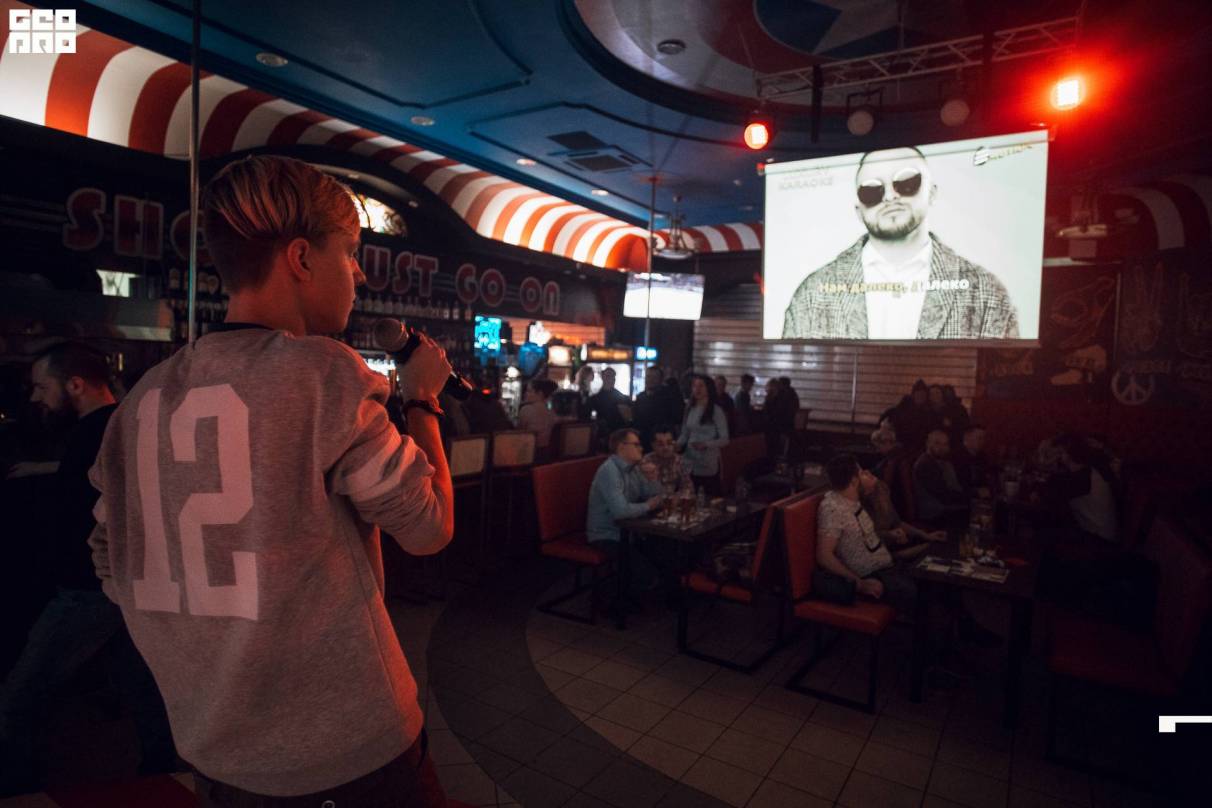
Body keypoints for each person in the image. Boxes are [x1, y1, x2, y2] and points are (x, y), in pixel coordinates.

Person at [88, 156, 455, 807]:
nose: (358, 273)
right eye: (350, 252)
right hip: (347, 750)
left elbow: (110, 563)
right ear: (302, 258)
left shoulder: (139, 401)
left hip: (214, 749)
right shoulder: (323, 374)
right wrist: (422, 400)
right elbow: (428, 529)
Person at [1, 343, 175, 795]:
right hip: (120, 584)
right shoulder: (117, 426)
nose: (36, 397)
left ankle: (15, 790)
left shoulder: (103, 430)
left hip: (91, 588)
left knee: (20, 695)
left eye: (42, 387)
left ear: (75, 384)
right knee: (144, 691)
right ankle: (167, 777)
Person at [782, 146, 1019, 340]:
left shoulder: (987, 291)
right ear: (858, 210)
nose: (890, 196)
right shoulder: (810, 294)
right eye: (872, 191)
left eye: (907, 182)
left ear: (932, 193)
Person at [815, 454, 916, 614]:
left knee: (933, 582)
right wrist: (860, 584)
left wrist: (892, 535)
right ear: (854, 481)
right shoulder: (832, 508)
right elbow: (824, 556)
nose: (867, 473)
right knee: (926, 595)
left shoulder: (854, 499)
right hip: (872, 575)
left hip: (887, 566)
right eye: (862, 472)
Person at [586, 428, 664, 600]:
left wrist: (652, 478)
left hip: (629, 532)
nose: (641, 448)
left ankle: (644, 598)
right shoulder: (609, 471)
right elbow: (621, 512)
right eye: (636, 444)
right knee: (647, 573)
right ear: (621, 447)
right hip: (606, 535)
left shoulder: (633, 468)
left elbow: (654, 496)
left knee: (664, 554)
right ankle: (614, 602)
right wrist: (648, 505)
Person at [676, 375, 730, 495]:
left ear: (708, 388)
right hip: (689, 460)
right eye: (694, 386)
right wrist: (677, 445)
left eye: (701, 386)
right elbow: (685, 433)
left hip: (707, 461)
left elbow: (725, 439)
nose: (697, 389)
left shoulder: (716, 411)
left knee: (708, 495)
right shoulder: (690, 408)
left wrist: (706, 444)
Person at [913, 429, 969, 528]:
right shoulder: (925, 464)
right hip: (933, 512)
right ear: (928, 444)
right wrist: (969, 497)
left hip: (940, 507)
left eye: (945, 444)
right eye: (937, 443)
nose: (942, 447)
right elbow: (941, 494)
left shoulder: (941, 462)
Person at [884, 379, 936, 453]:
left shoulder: (928, 412)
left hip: (919, 447)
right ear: (913, 395)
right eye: (918, 394)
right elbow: (891, 417)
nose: (920, 397)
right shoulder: (904, 406)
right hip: (900, 444)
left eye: (923, 395)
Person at [587, 367, 630, 443]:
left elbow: (628, 419)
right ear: (603, 378)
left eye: (613, 377)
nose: (611, 379)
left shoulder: (622, 398)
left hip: (618, 436)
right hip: (602, 436)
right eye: (608, 376)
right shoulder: (594, 398)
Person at [517, 378, 561, 453]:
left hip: (528, 451)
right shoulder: (551, 412)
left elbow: (519, 433)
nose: (525, 394)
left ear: (540, 394)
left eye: (529, 391)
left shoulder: (526, 409)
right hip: (546, 452)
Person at [643, 425, 691, 492]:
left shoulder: (679, 461)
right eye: (660, 444)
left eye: (669, 443)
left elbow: (687, 487)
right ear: (653, 445)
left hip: (675, 497)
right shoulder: (646, 461)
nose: (666, 447)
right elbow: (642, 489)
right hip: (652, 496)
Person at [951, 424, 990, 494]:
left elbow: (986, 477)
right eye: (979, 438)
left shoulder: (982, 456)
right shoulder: (956, 457)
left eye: (984, 438)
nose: (982, 441)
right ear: (967, 437)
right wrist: (976, 491)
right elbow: (957, 486)